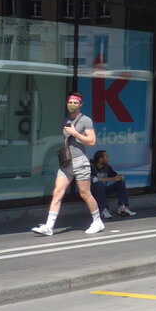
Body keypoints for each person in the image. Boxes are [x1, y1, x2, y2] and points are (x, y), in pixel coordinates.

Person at [32, 92, 103, 236]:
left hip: (80, 162)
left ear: (81, 104)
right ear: (67, 103)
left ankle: (97, 221)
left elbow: (92, 141)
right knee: (58, 192)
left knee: (85, 193)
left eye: (76, 102)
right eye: (70, 102)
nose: (73, 104)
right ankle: (49, 226)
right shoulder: (65, 120)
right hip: (67, 162)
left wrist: (74, 133)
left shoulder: (85, 120)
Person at [91, 150, 134, 218]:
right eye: (106, 157)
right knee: (99, 184)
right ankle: (103, 210)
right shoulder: (91, 166)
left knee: (120, 182)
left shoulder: (107, 167)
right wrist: (113, 179)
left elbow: (115, 175)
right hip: (93, 192)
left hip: (104, 190)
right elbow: (94, 179)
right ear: (100, 159)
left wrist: (120, 177)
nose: (108, 159)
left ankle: (123, 207)